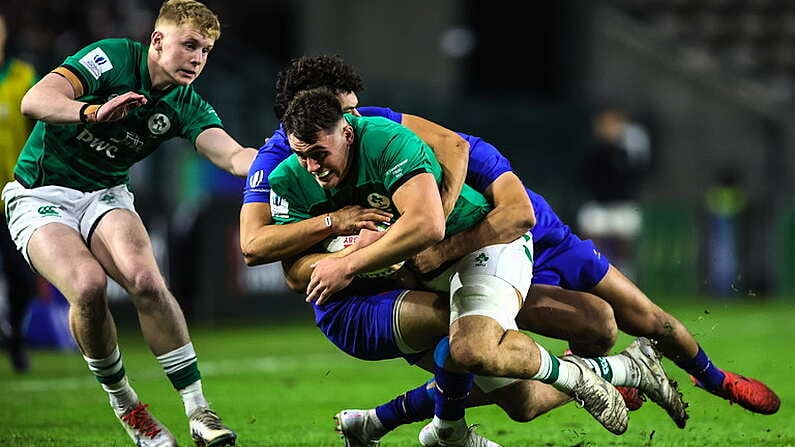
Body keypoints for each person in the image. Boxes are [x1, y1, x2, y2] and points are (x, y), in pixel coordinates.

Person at [246, 55, 776, 444]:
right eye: (346, 109)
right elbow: (266, 250)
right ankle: (611, 374)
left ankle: (717, 380)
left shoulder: (385, 131)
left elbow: (503, 204)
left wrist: (432, 227)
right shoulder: (289, 163)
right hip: (439, 264)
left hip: (510, 234)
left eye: (356, 110)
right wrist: (341, 229)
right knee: (530, 374)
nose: (361, 114)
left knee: (635, 317)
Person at [272, 87, 647, 445]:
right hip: (424, 276)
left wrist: (349, 262)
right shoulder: (287, 176)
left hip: (479, 244)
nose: (312, 166)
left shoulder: (386, 139)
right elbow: (278, 262)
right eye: (301, 154)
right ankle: (436, 428)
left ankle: (591, 374)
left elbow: (428, 225)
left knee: (477, 347)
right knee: (524, 401)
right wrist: (335, 232)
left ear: (347, 133)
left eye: (319, 153)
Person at [2, 1, 255, 446]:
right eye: (190, 45)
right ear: (157, 41)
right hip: (40, 193)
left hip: (104, 194)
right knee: (87, 286)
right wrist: (93, 112)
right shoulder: (114, 57)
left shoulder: (183, 102)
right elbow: (35, 100)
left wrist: (275, 160)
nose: (198, 58)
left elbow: (232, 155)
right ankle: (128, 407)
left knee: (146, 281)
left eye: (207, 50)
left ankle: (199, 411)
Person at [0, 12, 38, 373]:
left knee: (23, 279)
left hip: (12, 198)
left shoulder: (22, 77)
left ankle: (15, 337)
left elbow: (41, 127)